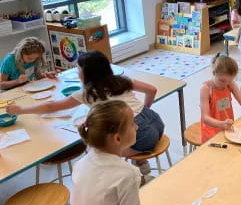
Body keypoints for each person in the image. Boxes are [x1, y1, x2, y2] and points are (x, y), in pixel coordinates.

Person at [7, 50, 164, 176]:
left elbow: (51, 107)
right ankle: (141, 161)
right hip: (156, 123)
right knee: (116, 131)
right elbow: (152, 89)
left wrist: (21, 110)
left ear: (86, 73)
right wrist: (146, 108)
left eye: (78, 68)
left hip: (141, 135)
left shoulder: (88, 93)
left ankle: (128, 170)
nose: (77, 71)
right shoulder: (121, 80)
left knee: (98, 150)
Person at [68, 101, 141, 205]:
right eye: (132, 123)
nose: (137, 127)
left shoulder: (80, 164)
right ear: (117, 138)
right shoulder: (128, 174)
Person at [200, 54, 241, 142]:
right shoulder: (205, 89)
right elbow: (205, 118)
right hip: (211, 131)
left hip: (227, 127)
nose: (225, 84)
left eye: (230, 81)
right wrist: (221, 124)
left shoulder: (229, 84)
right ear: (214, 73)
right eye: (223, 81)